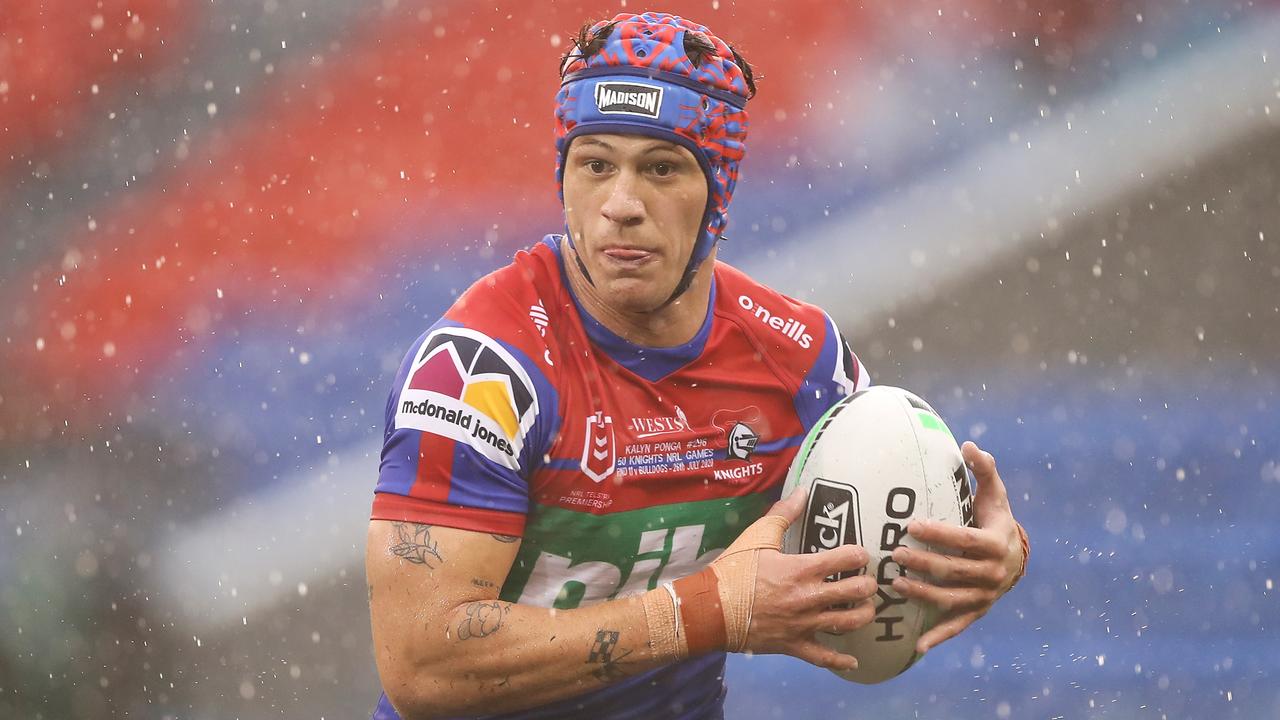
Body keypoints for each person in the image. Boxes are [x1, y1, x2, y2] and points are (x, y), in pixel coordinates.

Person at [365, 11, 1029, 720]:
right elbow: (422, 665)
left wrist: (992, 557)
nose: (620, 206)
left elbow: (892, 542)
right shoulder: (479, 371)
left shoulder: (798, 357)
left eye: (660, 168)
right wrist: (708, 612)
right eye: (595, 164)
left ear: (719, 195)